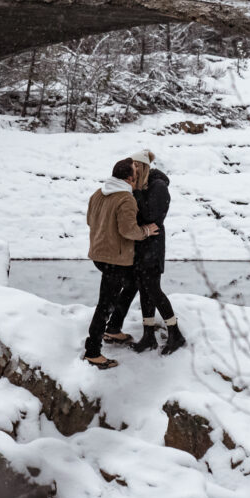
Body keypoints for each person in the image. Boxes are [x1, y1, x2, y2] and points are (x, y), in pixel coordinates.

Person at [105, 149, 185, 355]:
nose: (133, 172)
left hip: (153, 248)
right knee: (143, 290)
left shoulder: (158, 187)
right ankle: (148, 335)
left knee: (154, 290)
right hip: (140, 247)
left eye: (135, 168)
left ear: (142, 167)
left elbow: (151, 216)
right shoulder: (140, 187)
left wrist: (137, 194)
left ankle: (175, 333)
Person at [84, 157, 159, 369]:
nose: (138, 176)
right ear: (129, 178)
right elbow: (128, 230)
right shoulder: (126, 199)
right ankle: (92, 352)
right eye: (136, 172)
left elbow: (90, 220)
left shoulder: (98, 193)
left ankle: (114, 328)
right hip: (115, 260)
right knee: (104, 304)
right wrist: (146, 231)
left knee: (133, 283)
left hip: (100, 255)